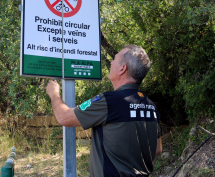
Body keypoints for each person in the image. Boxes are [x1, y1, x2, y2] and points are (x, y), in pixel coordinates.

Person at [46, 44, 162, 176]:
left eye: (115, 59)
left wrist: (54, 93)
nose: (111, 62)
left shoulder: (110, 101)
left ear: (122, 68)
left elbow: (64, 117)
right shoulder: (151, 105)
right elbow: (157, 149)